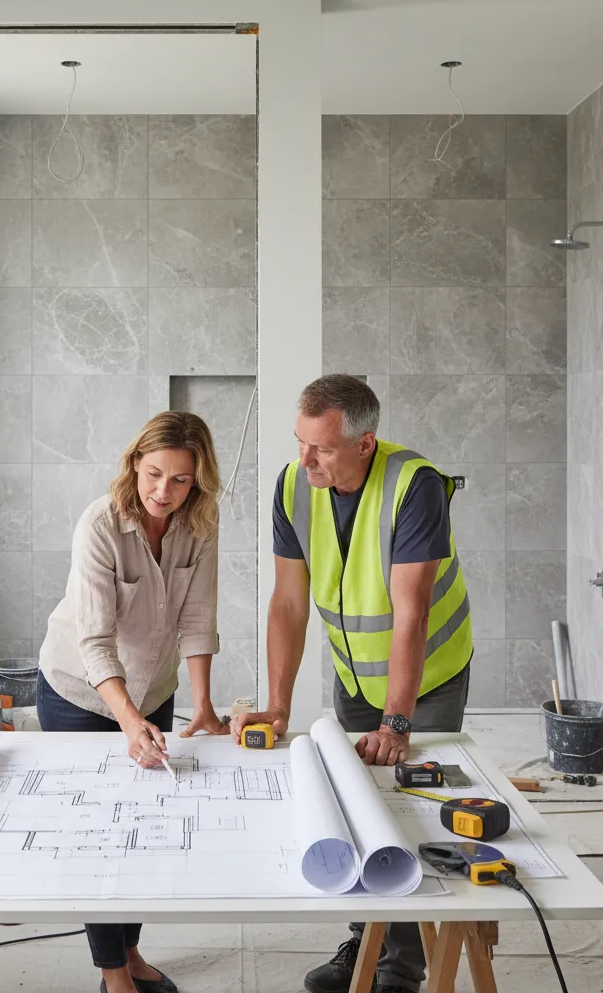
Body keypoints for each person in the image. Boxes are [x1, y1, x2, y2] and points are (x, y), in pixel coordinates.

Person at [231, 374, 473, 993]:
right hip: (356, 675)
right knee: (358, 810)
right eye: (300, 443)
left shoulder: (414, 486)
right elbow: (288, 602)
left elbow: (411, 610)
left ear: (366, 443)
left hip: (427, 677)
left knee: (409, 811)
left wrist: (398, 719)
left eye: (323, 448)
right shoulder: (296, 486)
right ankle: (367, 939)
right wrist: (278, 707)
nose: (305, 460)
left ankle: (401, 970)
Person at [37, 411, 229, 993]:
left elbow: (198, 617)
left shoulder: (200, 522)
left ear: (198, 481)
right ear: (133, 465)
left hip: (155, 687)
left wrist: (203, 705)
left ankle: (134, 952)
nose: (162, 492)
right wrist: (129, 722)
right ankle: (113, 974)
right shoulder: (99, 523)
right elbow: (94, 640)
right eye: (153, 474)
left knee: (144, 828)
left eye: (179, 480)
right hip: (80, 692)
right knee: (102, 833)